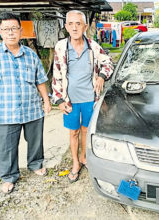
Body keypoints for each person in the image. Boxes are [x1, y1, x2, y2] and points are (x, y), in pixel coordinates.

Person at [0, 12, 51, 193]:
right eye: (6, 29)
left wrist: (46, 101)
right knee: (6, 146)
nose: (11, 33)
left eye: (14, 29)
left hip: (32, 108)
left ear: (20, 31)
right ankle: (9, 176)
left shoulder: (30, 55)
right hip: (5, 111)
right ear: (0, 31)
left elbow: (40, 80)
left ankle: (35, 164)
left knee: (35, 141)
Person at [52, 10, 113, 183]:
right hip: (70, 100)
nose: (74, 27)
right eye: (70, 24)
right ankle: (75, 163)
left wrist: (101, 76)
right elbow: (56, 73)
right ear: (66, 27)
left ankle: (84, 157)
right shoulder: (61, 47)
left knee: (86, 129)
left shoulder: (93, 46)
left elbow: (108, 62)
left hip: (89, 98)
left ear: (85, 26)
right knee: (74, 132)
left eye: (78, 23)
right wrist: (59, 99)